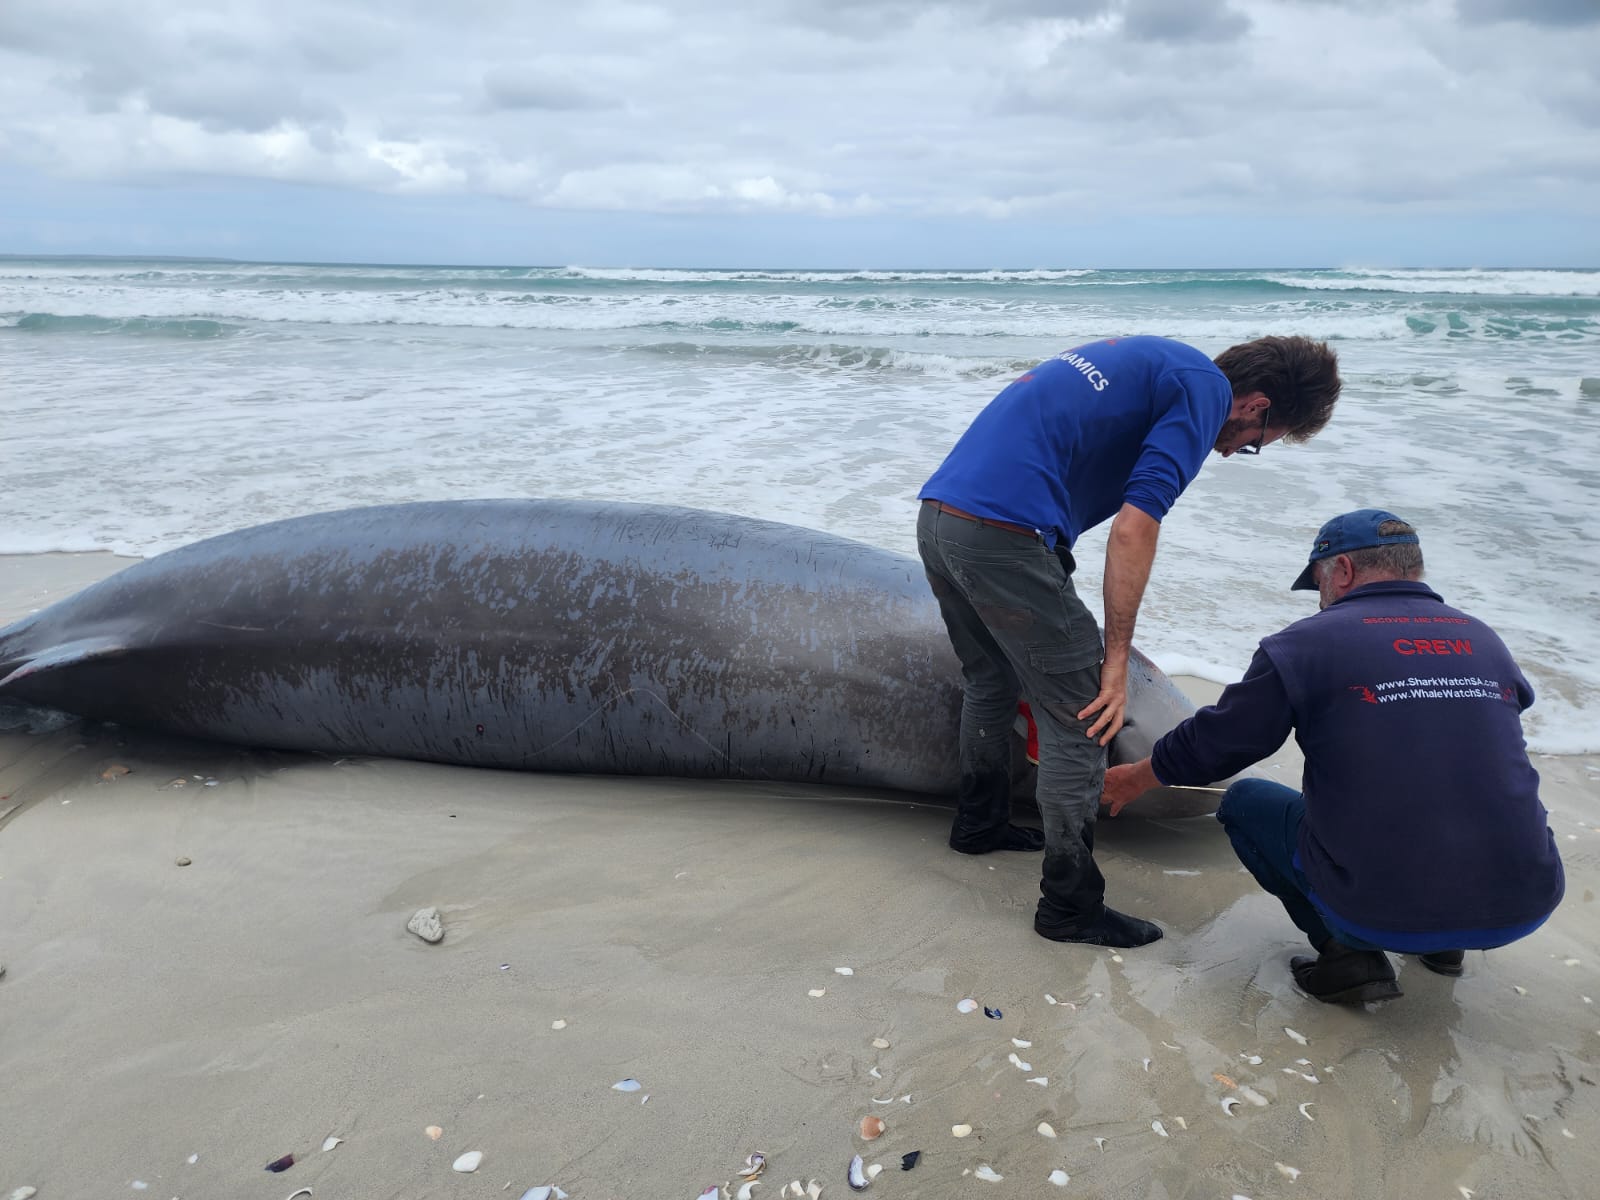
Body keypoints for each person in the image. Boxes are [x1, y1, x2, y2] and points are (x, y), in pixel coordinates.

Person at [916, 334, 1341, 948]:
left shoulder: (1157, 362)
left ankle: (978, 824)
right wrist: (1113, 663)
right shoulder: (1205, 392)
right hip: (1003, 533)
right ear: (1257, 403)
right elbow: (1134, 528)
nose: (1237, 450)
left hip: (941, 517)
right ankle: (1070, 905)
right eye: (1257, 442)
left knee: (992, 678)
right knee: (1081, 716)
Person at [1101, 510, 1565, 1002]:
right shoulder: (1484, 639)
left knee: (1244, 801)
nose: (1321, 599)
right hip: (1526, 899)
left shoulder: (1306, 643)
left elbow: (1221, 745)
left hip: (1377, 907)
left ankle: (1348, 957)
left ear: (1341, 570)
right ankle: (1445, 950)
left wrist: (1137, 778)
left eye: (1319, 583)